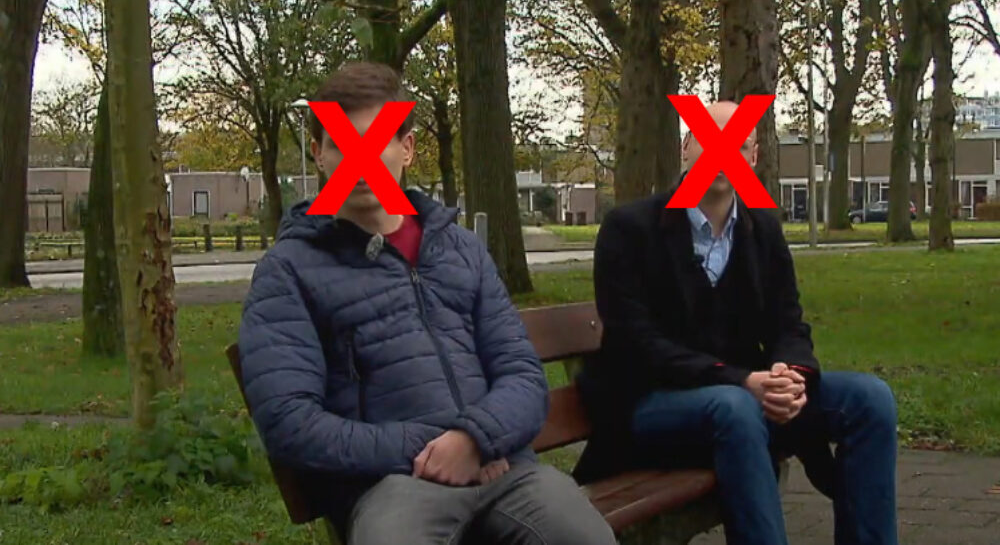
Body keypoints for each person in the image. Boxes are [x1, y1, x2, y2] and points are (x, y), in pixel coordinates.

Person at [238, 62, 615, 545]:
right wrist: (433, 449)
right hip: (392, 486)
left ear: (407, 147)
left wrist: (475, 440)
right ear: (318, 153)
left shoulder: (460, 249)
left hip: (505, 471)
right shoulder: (289, 270)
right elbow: (290, 421)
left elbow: (521, 373)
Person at [574, 101, 898, 545]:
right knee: (735, 407)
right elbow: (638, 343)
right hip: (649, 403)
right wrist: (741, 381)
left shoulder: (762, 229)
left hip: (744, 395)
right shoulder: (630, 229)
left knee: (870, 399)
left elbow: (789, 324)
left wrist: (789, 376)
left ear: (754, 157)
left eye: (738, 145)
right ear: (686, 148)